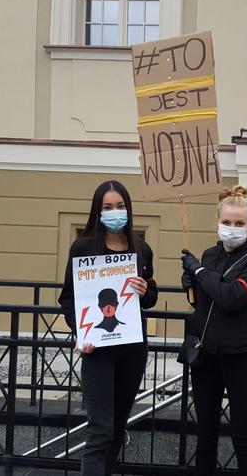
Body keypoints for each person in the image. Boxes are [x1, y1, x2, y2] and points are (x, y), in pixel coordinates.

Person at [58, 180, 158, 475]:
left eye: (120, 206)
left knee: (116, 429)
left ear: (128, 209)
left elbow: (151, 297)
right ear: (97, 212)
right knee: (100, 430)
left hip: (132, 348)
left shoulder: (142, 250)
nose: (115, 212)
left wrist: (145, 291)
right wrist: (81, 333)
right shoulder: (83, 247)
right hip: (98, 350)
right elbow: (68, 298)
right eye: (108, 207)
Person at [180, 185, 247, 476]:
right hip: (207, 356)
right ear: (217, 221)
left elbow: (231, 297)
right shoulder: (208, 256)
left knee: (244, 437)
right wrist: (191, 284)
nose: (232, 228)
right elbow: (206, 302)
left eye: (239, 223)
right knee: (205, 434)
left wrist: (198, 273)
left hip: (243, 357)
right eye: (227, 222)